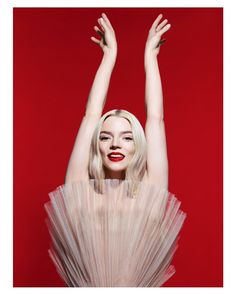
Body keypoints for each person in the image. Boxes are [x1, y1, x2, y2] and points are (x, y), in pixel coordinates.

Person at [45, 13, 186, 287]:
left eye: (127, 138)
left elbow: (155, 119)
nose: (115, 144)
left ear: (139, 146)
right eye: (106, 137)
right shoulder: (80, 192)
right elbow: (90, 116)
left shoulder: (150, 191)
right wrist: (109, 57)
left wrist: (150, 58)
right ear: (96, 145)